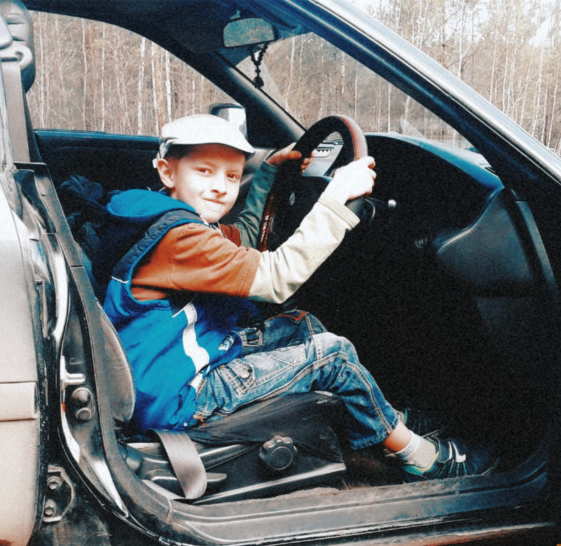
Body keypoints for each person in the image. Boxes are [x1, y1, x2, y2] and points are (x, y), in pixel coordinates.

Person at [102, 114, 497, 481]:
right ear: (166, 171)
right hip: (181, 397)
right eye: (204, 171)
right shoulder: (182, 240)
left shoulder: (169, 219)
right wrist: (336, 199)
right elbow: (277, 278)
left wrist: (269, 173)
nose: (221, 186)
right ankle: (420, 457)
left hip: (170, 368)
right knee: (333, 355)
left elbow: (246, 237)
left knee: (301, 324)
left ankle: (381, 417)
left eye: (232, 175)